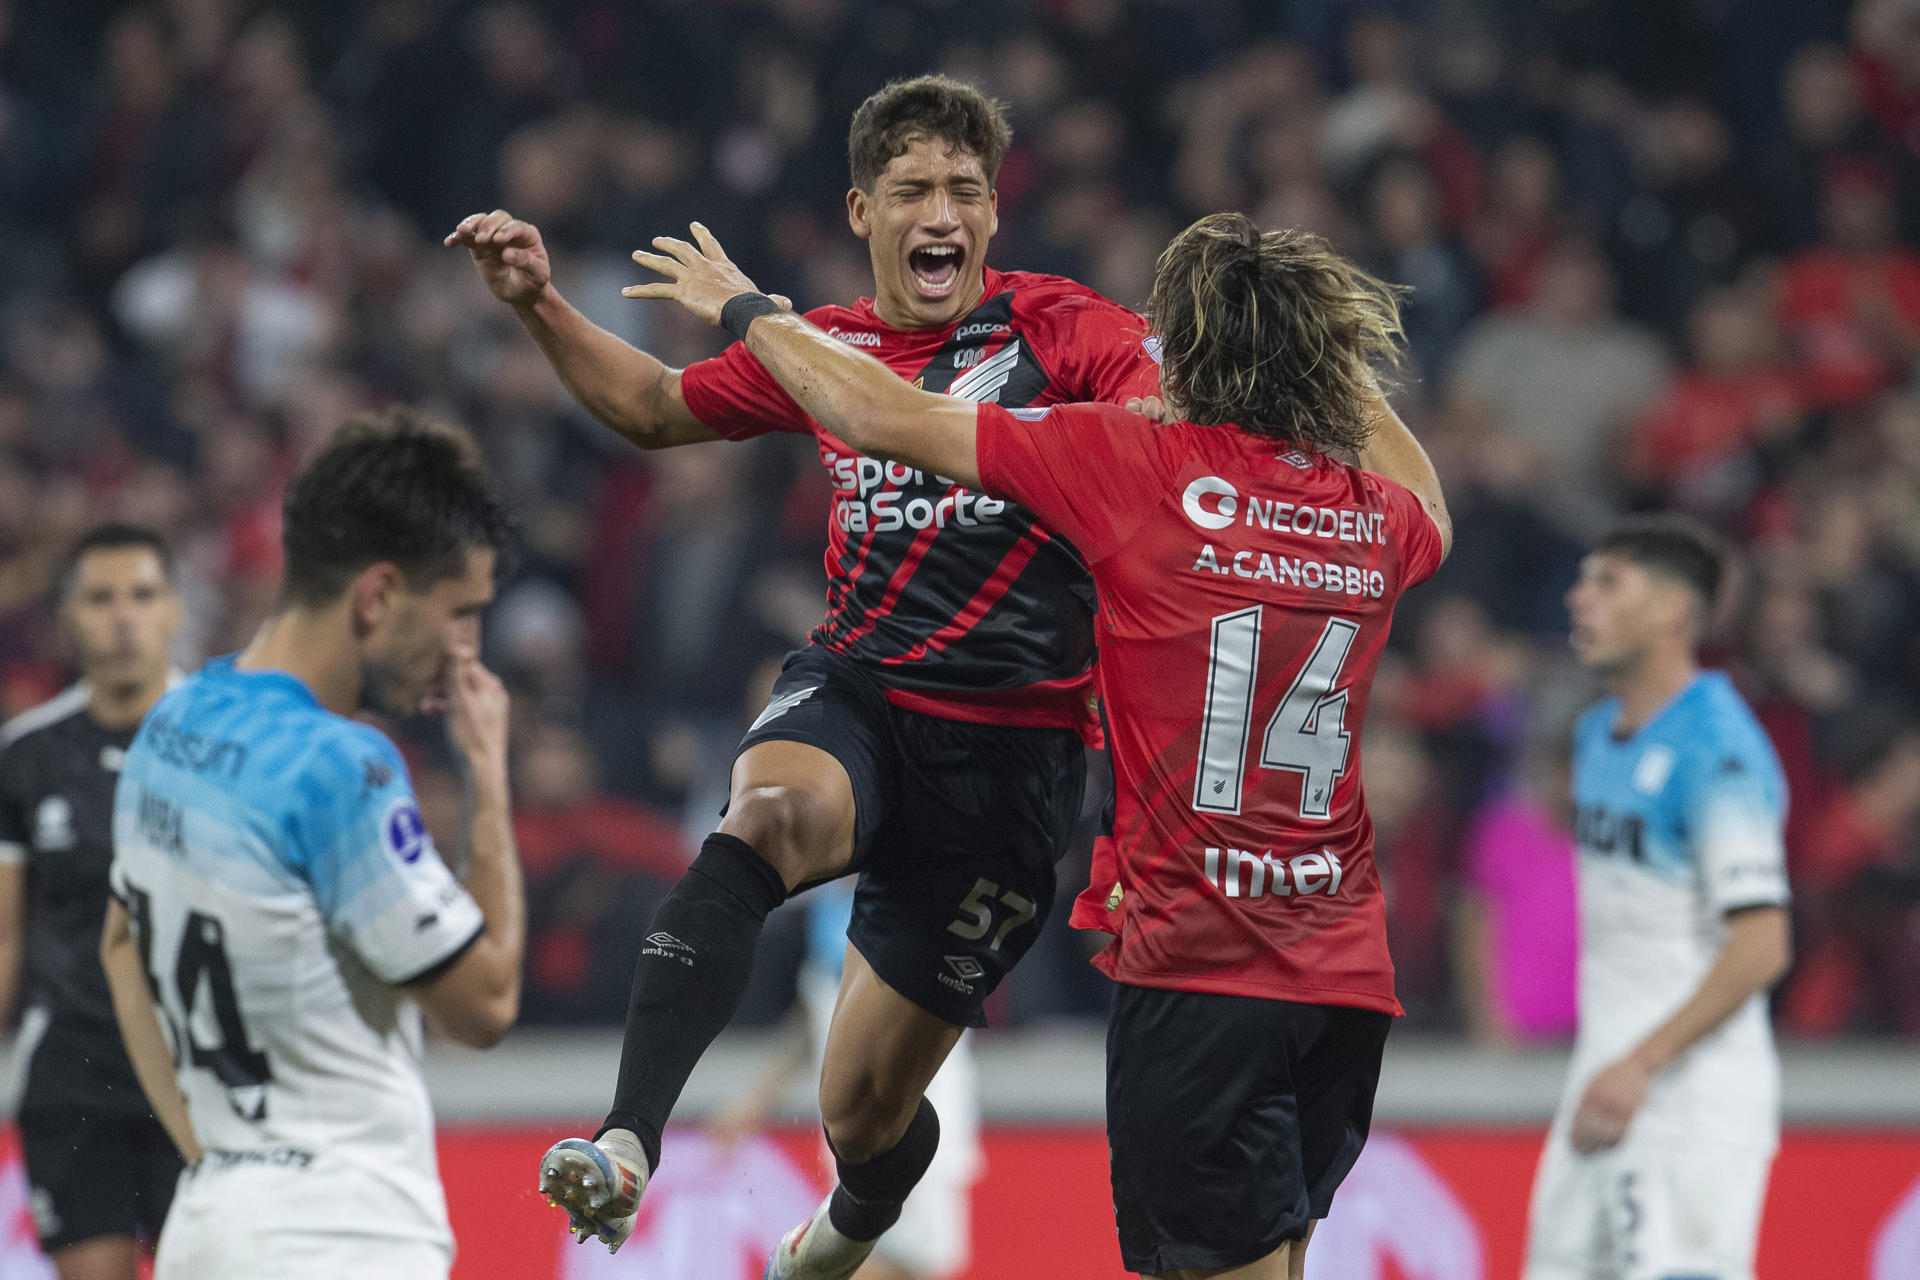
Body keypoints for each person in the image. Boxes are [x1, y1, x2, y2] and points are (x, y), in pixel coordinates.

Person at [621, 208, 1450, 1280]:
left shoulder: (1135, 463)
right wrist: (1325, 357)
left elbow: (883, 416)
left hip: (1204, 968)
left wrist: (751, 315)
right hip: (1342, 979)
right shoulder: (1371, 512)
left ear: (1183, 349)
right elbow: (1430, 493)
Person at [449, 76, 1162, 1270]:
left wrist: (749, 312)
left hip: (1016, 752)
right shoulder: (826, 345)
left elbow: (1152, 438)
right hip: (865, 687)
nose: (943, 212)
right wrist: (540, 306)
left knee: (865, 1113)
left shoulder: (1066, 332)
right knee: (768, 815)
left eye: (965, 191)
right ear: (860, 210)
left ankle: (854, 1217)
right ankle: (626, 1140)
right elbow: (660, 407)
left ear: (991, 213)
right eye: (914, 190)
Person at [99, 409, 525, 1280]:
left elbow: (118, 945)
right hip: (342, 1233)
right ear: (377, 595)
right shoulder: (339, 767)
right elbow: (483, 1005)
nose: (466, 649)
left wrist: (216, 1156)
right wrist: (489, 777)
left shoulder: (170, 725)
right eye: (459, 613)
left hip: (212, 1227)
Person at [1527, 516, 1792, 1280]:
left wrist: (1640, 1064)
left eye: (1607, 582)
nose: (1579, 598)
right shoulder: (1595, 732)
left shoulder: (1721, 749)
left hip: (1686, 1096)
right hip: (1604, 1079)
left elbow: (1762, 945)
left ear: (1674, 612)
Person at [0, 525, 184, 1280]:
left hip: (196, 1071)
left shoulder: (220, 741)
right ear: (68, 615)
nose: (122, 618)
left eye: (141, 596)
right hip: (73, 1072)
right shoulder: (27, 754)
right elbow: (6, 934)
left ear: (174, 609)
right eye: (100, 598)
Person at [707, 878, 982, 1280]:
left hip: (916, 1104)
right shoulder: (828, 903)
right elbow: (819, 1005)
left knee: (906, 1259)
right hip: (852, 1114)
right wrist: (758, 1098)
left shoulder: (920, 882)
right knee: (864, 1248)